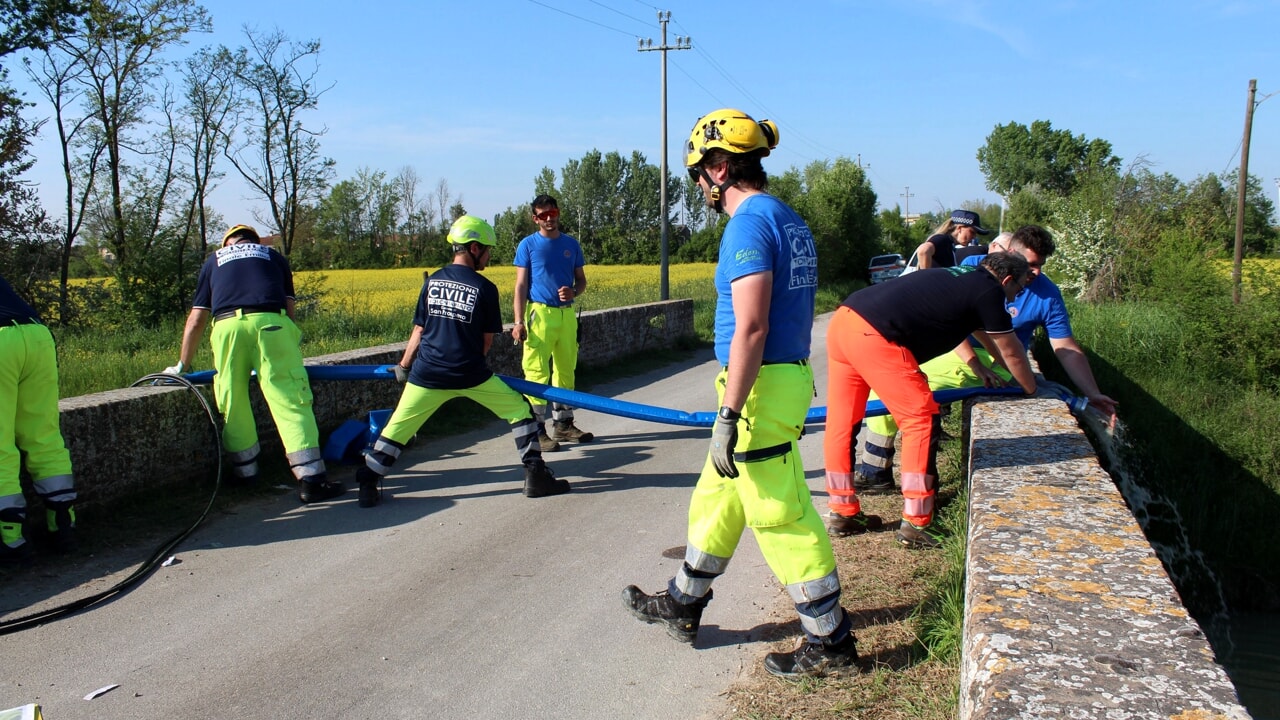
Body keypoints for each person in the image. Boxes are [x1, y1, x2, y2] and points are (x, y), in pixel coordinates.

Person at [622, 108, 859, 679]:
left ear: (721, 168)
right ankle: (682, 603)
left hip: (757, 388)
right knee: (717, 497)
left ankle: (831, 642)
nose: (699, 184)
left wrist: (730, 412)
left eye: (700, 171)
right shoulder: (786, 217)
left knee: (779, 515)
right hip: (775, 380)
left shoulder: (748, 224)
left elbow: (751, 327)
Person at [841, 225, 1119, 508]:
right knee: (884, 392)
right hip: (958, 349)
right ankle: (876, 470)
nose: (1035, 273)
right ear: (1010, 255)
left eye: (1041, 266)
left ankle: (919, 498)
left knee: (920, 402)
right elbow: (954, 318)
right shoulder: (978, 267)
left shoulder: (1047, 294)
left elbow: (1064, 349)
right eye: (1031, 265)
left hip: (999, 361)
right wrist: (973, 362)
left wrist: (1091, 392)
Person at [823, 253, 1039, 550]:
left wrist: (979, 365)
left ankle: (843, 512)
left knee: (842, 424)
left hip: (845, 321)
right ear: (1006, 280)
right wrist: (1031, 388)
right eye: (1020, 288)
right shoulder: (990, 290)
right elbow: (1011, 350)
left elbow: (979, 332)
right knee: (920, 419)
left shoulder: (964, 277)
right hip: (875, 333)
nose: (1017, 296)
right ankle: (917, 523)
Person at [355, 216, 568, 507]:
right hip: (470, 373)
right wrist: (469, 372)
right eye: (488, 250)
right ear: (474, 247)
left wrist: (403, 367)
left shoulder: (432, 282)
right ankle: (535, 476)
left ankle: (368, 482)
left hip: (426, 373)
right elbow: (486, 341)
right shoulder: (485, 287)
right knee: (521, 411)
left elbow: (419, 329)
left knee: (397, 429)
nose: (489, 257)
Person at [166, 224, 345, 504]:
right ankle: (311, 480)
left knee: (232, 398)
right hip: (271, 323)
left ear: (229, 243)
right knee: (290, 398)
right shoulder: (273, 257)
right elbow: (289, 309)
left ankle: (245, 473)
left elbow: (196, 319)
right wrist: (285, 349)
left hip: (226, 329)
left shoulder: (214, 260)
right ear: (254, 241)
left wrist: (182, 366)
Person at [0, 275, 77, 562]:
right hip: (36, 334)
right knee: (43, 435)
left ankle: (11, 540)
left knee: (0, 444)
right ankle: (63, 524)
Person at [511, 194, 593, 451]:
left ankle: (563, 425)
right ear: (535, 218)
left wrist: (574, 292)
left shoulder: (571, 244)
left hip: (566, 315)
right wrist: (517, 321)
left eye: (553, 213)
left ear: (558, 213)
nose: (549, 219)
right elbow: (521, 285)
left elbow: (581, 281)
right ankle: (536, 431)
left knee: (566, 369)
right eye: (543, 215)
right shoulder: (527, 245)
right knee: (536, 373)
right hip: (539, 315)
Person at [913, 209, 992, 269]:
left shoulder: (950, 245)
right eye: (972, 232)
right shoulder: (943, 239)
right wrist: (926, 279)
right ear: (959, 228)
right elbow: (923, 251)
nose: (974, 237)